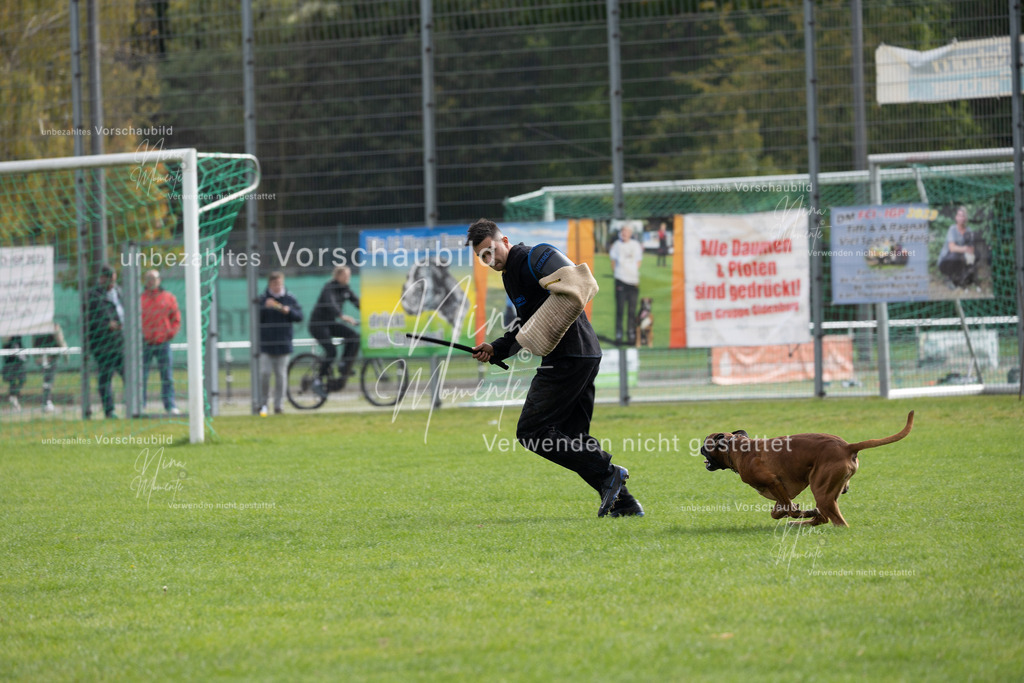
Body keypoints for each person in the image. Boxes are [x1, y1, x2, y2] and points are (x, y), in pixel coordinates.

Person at [466, 218, 643, 518]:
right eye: (483, 257)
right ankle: (624, 504)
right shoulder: (510, 276)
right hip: (583, 354)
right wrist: (498, 348)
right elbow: (529, 323)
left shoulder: (536, 255)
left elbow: (581, 282)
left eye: (492, 250)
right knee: (574, 437)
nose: (490, 258)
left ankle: (608, 470)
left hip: (569, 357)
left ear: (504, 241)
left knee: (531, 431)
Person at [258, 271, 303, 415]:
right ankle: (263, 404)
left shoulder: (289, 298)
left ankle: (279, 406)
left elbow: (299, 316)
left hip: (284, 343)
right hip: (266, 344)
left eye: (279, 283)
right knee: (265, 373)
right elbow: (256, 317)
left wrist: (287, 311)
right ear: (270, 284)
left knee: (281, 376)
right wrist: (265, 307)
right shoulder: (263, 299)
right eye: (274, 284)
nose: (277, 286)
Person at [309, 265, 360, 390]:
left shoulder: (346, 289)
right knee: (331, 351)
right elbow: (330, 302)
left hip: (330, 323)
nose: (348, 278)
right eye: (345, 275)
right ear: (337, 276)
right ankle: (318, 380)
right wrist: (341, 315)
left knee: (354, 337)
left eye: (349, 275)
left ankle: (345, 364)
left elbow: (357, 302)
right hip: (318, 324)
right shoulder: (329, 287)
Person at [86, 264, 125, 419]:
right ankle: (109, 411)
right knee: (105, 378)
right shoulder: (94, 295)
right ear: (102, 279)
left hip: (121, 343)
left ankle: (134, 407)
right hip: (103, 347)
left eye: (114, 280)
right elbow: (91, 320)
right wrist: (107, 325)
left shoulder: (120, 293)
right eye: (109, 280)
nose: (112, 284)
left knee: (129, 376)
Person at [141, 269, 182, 415]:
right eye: (148, 278)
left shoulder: (168, 297)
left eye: (153, 278)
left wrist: (169, 333)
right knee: (141, 376)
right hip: (145, 343)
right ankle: (140, 405)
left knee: (167, 376)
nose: (151, 281)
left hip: (163, 342)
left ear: (159, 280)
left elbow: (176, 318)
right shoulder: (140, 298)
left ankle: (170, 405)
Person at [609, 224, 643, 345]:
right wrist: (618, 273)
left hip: (633, 282)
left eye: (627, 231)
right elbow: (613, 260)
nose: (625, 233)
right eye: (623, 231)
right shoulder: (617, 245)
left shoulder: (635, 245)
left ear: (630, 233)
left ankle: (631, 334)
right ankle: (619, 334)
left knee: (632, 310)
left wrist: (632, 272)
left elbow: (638, 261)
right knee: (620, 309)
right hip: (620, 281)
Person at [937, 205, 978, 289]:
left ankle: (965, 277)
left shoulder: (969, 230)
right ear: (956, 217)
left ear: (966, 218)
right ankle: (948, 278)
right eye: (959, 215)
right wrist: (966, 249)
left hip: (961, 256)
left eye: (963, 215)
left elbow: (972, 246)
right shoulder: (952, 229)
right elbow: (952, 248)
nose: (961, 218)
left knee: (977, 254)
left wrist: (971, 250)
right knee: (955, 255)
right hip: (946, 260)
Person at [2, 336, 26, 411]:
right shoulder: (7, 343)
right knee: (12, 382)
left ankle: (14, 395)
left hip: (18, 364)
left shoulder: (18, 340)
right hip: (10, 365)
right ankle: (13, 398)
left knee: (22, 380)